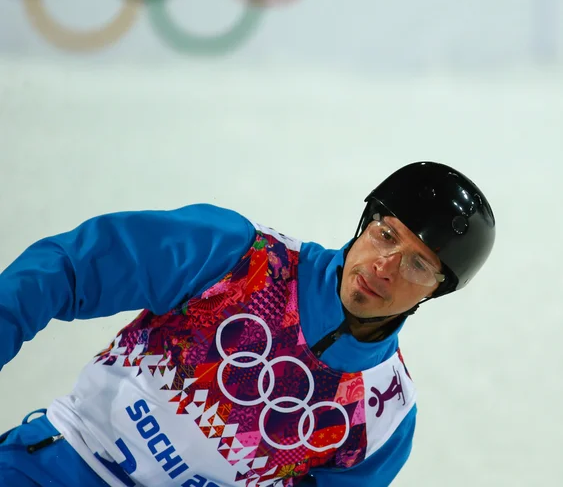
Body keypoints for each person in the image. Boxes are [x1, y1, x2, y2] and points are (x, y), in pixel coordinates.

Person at [0, 161, 496, 487]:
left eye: (416, 264)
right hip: (56, 466)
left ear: (436, 290)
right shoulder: (239, 256)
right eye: (385, 235)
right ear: (364, 224)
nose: (385, 265)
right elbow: (68, 267)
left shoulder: (383, 418)